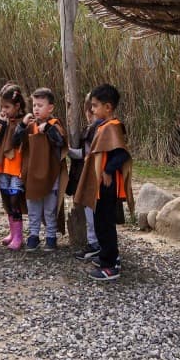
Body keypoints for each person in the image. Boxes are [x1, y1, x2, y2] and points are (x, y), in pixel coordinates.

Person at [74, 84, 134, 281]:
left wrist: (108, 170)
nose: (92, 110)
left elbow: (122, 154)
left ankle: (111, 265)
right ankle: (106, 256)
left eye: (95, 106)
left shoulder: (112, 127)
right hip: (100, 187)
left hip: (108, 187)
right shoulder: (103, 126)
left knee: (106, 224)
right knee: (100, 222)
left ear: (108, 107)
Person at [15, 87, 67, 252]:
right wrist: (22, 125)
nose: (36, 108)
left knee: (50, 208)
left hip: (50, 174)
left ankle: (51, 236)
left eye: (40, 105)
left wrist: (49, 130)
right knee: (33, 207)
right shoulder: (30, 126)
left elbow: (61, 143)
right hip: (32, 174)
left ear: (50, 107)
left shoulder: (54, 124)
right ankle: (34, 235)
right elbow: (15, 141)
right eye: (34, 105)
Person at [0, 82, 27, 250]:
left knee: (15, 200)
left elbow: (17, 141)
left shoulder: (23, 122)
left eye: (7, 106)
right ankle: (12, 232)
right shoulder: (4, 121)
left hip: (17, 167)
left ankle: (19, 236)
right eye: (1, 106)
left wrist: (20, 125)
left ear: (17, 105)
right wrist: (2, 124)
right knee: (6, 197)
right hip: (4, 166)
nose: (3, 110)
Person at [69, 94, 102, 260]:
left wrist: (69, 152)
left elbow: (88, 153)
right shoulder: (90, 128)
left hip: (95, 178)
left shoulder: (100, 129)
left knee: (94, 213)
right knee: (90, 212)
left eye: (93, 109)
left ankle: (95, 244)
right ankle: (94, 243)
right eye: (89, 109)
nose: (90, 114)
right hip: (89, 177)